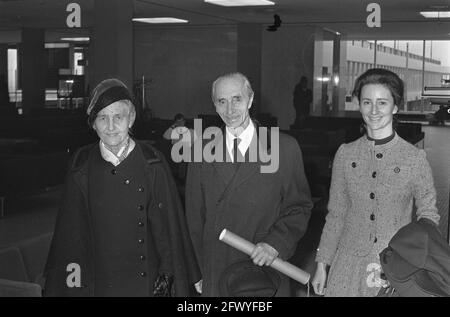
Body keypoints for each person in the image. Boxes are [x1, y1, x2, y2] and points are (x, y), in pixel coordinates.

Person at [44, 78, 199, 297]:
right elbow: (71, 237)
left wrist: (168, 273)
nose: (110, 126)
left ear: (131, 118)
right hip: (98, 282)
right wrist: (73, 288)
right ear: (93, 123)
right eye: (102, 118)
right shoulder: (80, 166)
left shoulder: (152, 162)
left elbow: (167, 228)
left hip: (146, 282)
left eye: (118, 117)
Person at [311, 68, 440, 297]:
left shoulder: (414, 158)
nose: (374, 110)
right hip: (347, 265)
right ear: (359, 105)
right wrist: (322, 263)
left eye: (382, 102)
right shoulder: (345, 154)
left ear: (395, 106)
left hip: (392, 266)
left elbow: (428, 215)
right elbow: (337, 213)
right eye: (367, 102)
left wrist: (410, 257)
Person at [185, 72, 313, 297]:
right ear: (214, 106)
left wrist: (275, 244)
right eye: (221, 102)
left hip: (264, 265)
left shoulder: (283, 147)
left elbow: (299, 207)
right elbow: (194, 218)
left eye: (237, 99)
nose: (230, 109)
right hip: (216, 268)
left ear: (250, 99)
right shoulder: (201, 150)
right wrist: (197, 271)